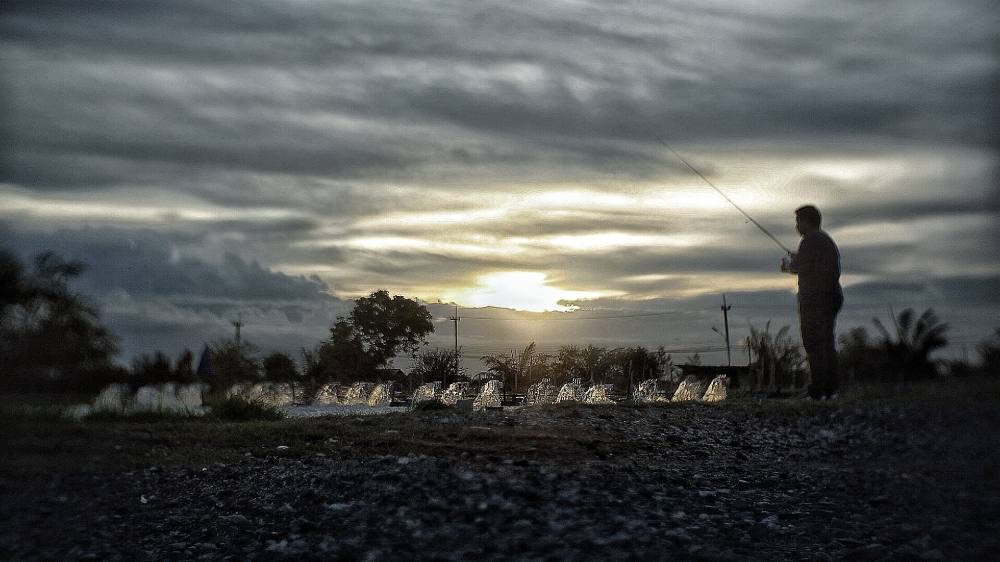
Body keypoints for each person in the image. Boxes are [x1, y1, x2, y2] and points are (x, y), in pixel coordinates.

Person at [780, 205, 843, 400]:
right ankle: (830, 390)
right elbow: (815, 264)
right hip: (831, 296)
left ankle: (818, 390)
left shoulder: (810, 241)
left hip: (816, 299)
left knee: (814, 344)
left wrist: (787, 266)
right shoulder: (824, 240)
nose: (797, 226)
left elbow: (800, 267)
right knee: (826, 343)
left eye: (798, 221)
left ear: (807, 222)